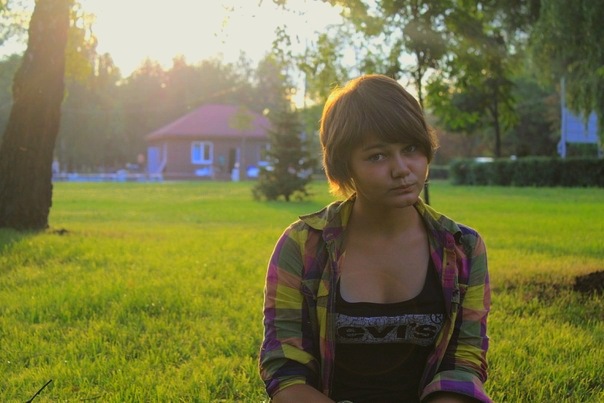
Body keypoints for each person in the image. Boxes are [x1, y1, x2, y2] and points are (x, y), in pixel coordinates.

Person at [259, 74, 491, 403]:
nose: (401, 169)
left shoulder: (463, 247)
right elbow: (285, 370)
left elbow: (463, 363)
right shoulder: (303, 246)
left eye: (410, 148)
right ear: (345, 165)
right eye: (377, 156)